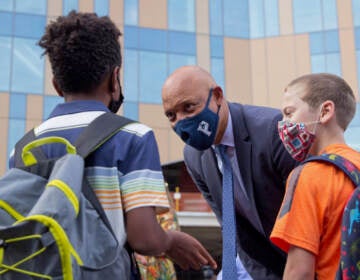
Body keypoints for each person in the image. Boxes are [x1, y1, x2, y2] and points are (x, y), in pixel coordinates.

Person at [8, 11, 217, 279]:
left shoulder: (22, 148)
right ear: (114, 77)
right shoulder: (133, 136)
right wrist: (172, 242)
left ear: (57, 85)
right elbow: (143, 238)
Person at [161, 65, 297, 279]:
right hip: (260, 266)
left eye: (189, 108)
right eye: (171, 115)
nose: (181, 121)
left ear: (217, 96)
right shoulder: (194, 156)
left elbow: (307, 219)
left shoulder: (274, 131)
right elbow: (234, 230)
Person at [270, 73, 360, 279]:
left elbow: (299, 271)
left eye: (289, 113)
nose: (283, 124)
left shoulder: (310, 174)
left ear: (326, 111)